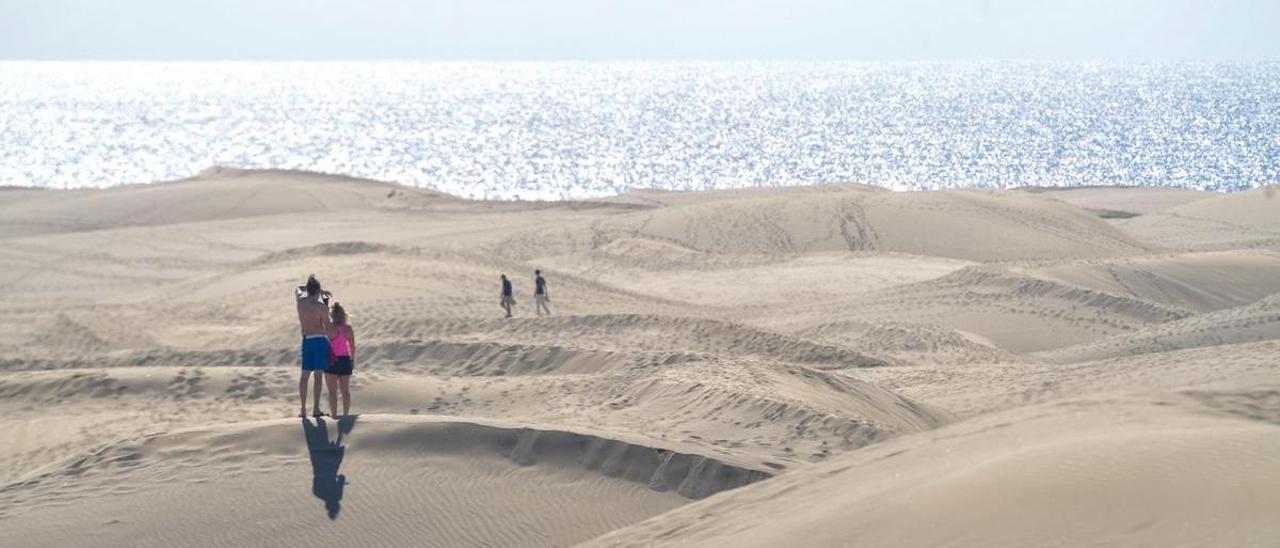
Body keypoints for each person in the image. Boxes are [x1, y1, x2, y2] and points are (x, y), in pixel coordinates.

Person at [296, 275, 333, 418]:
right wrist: (326, 305)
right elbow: (327, 326)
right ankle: (316, 409)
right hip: (319, 340)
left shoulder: (300, 302)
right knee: (318, 377)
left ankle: (303, 410)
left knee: (304, 376)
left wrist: (315, 290)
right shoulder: (321, 307)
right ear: (317, 290)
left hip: (306, 340)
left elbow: (298, 288)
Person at [325, 303, 356, 417]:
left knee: (332, 392)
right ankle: (345, 415)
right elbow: (352, 346)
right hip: (345, 360)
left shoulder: (329, 328)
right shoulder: (348, 329)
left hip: (331, 359)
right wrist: (352, 360)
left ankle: (334, 415)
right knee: (345, 392)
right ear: (344, 315)